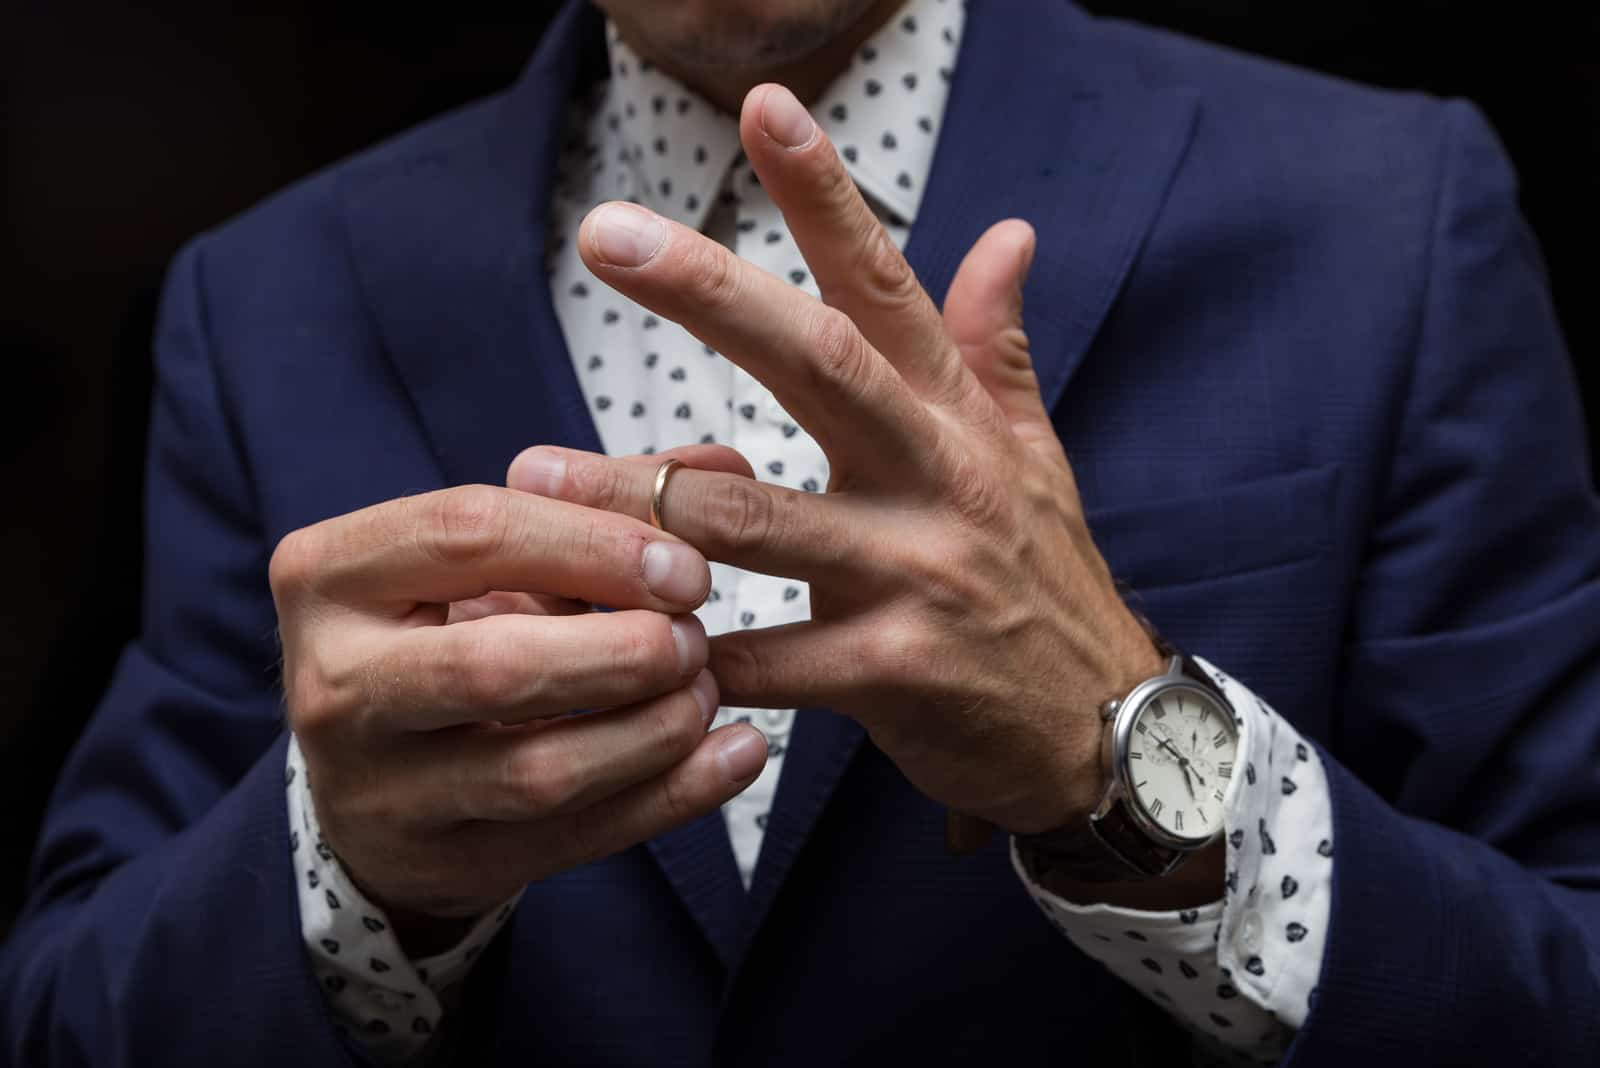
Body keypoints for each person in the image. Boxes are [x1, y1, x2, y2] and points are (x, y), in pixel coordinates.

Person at [3, 0, 1597, 1063]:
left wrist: (1131, 759)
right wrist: (344, 872)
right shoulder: (262, 297)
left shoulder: (1386, 213)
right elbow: (67, 1014)